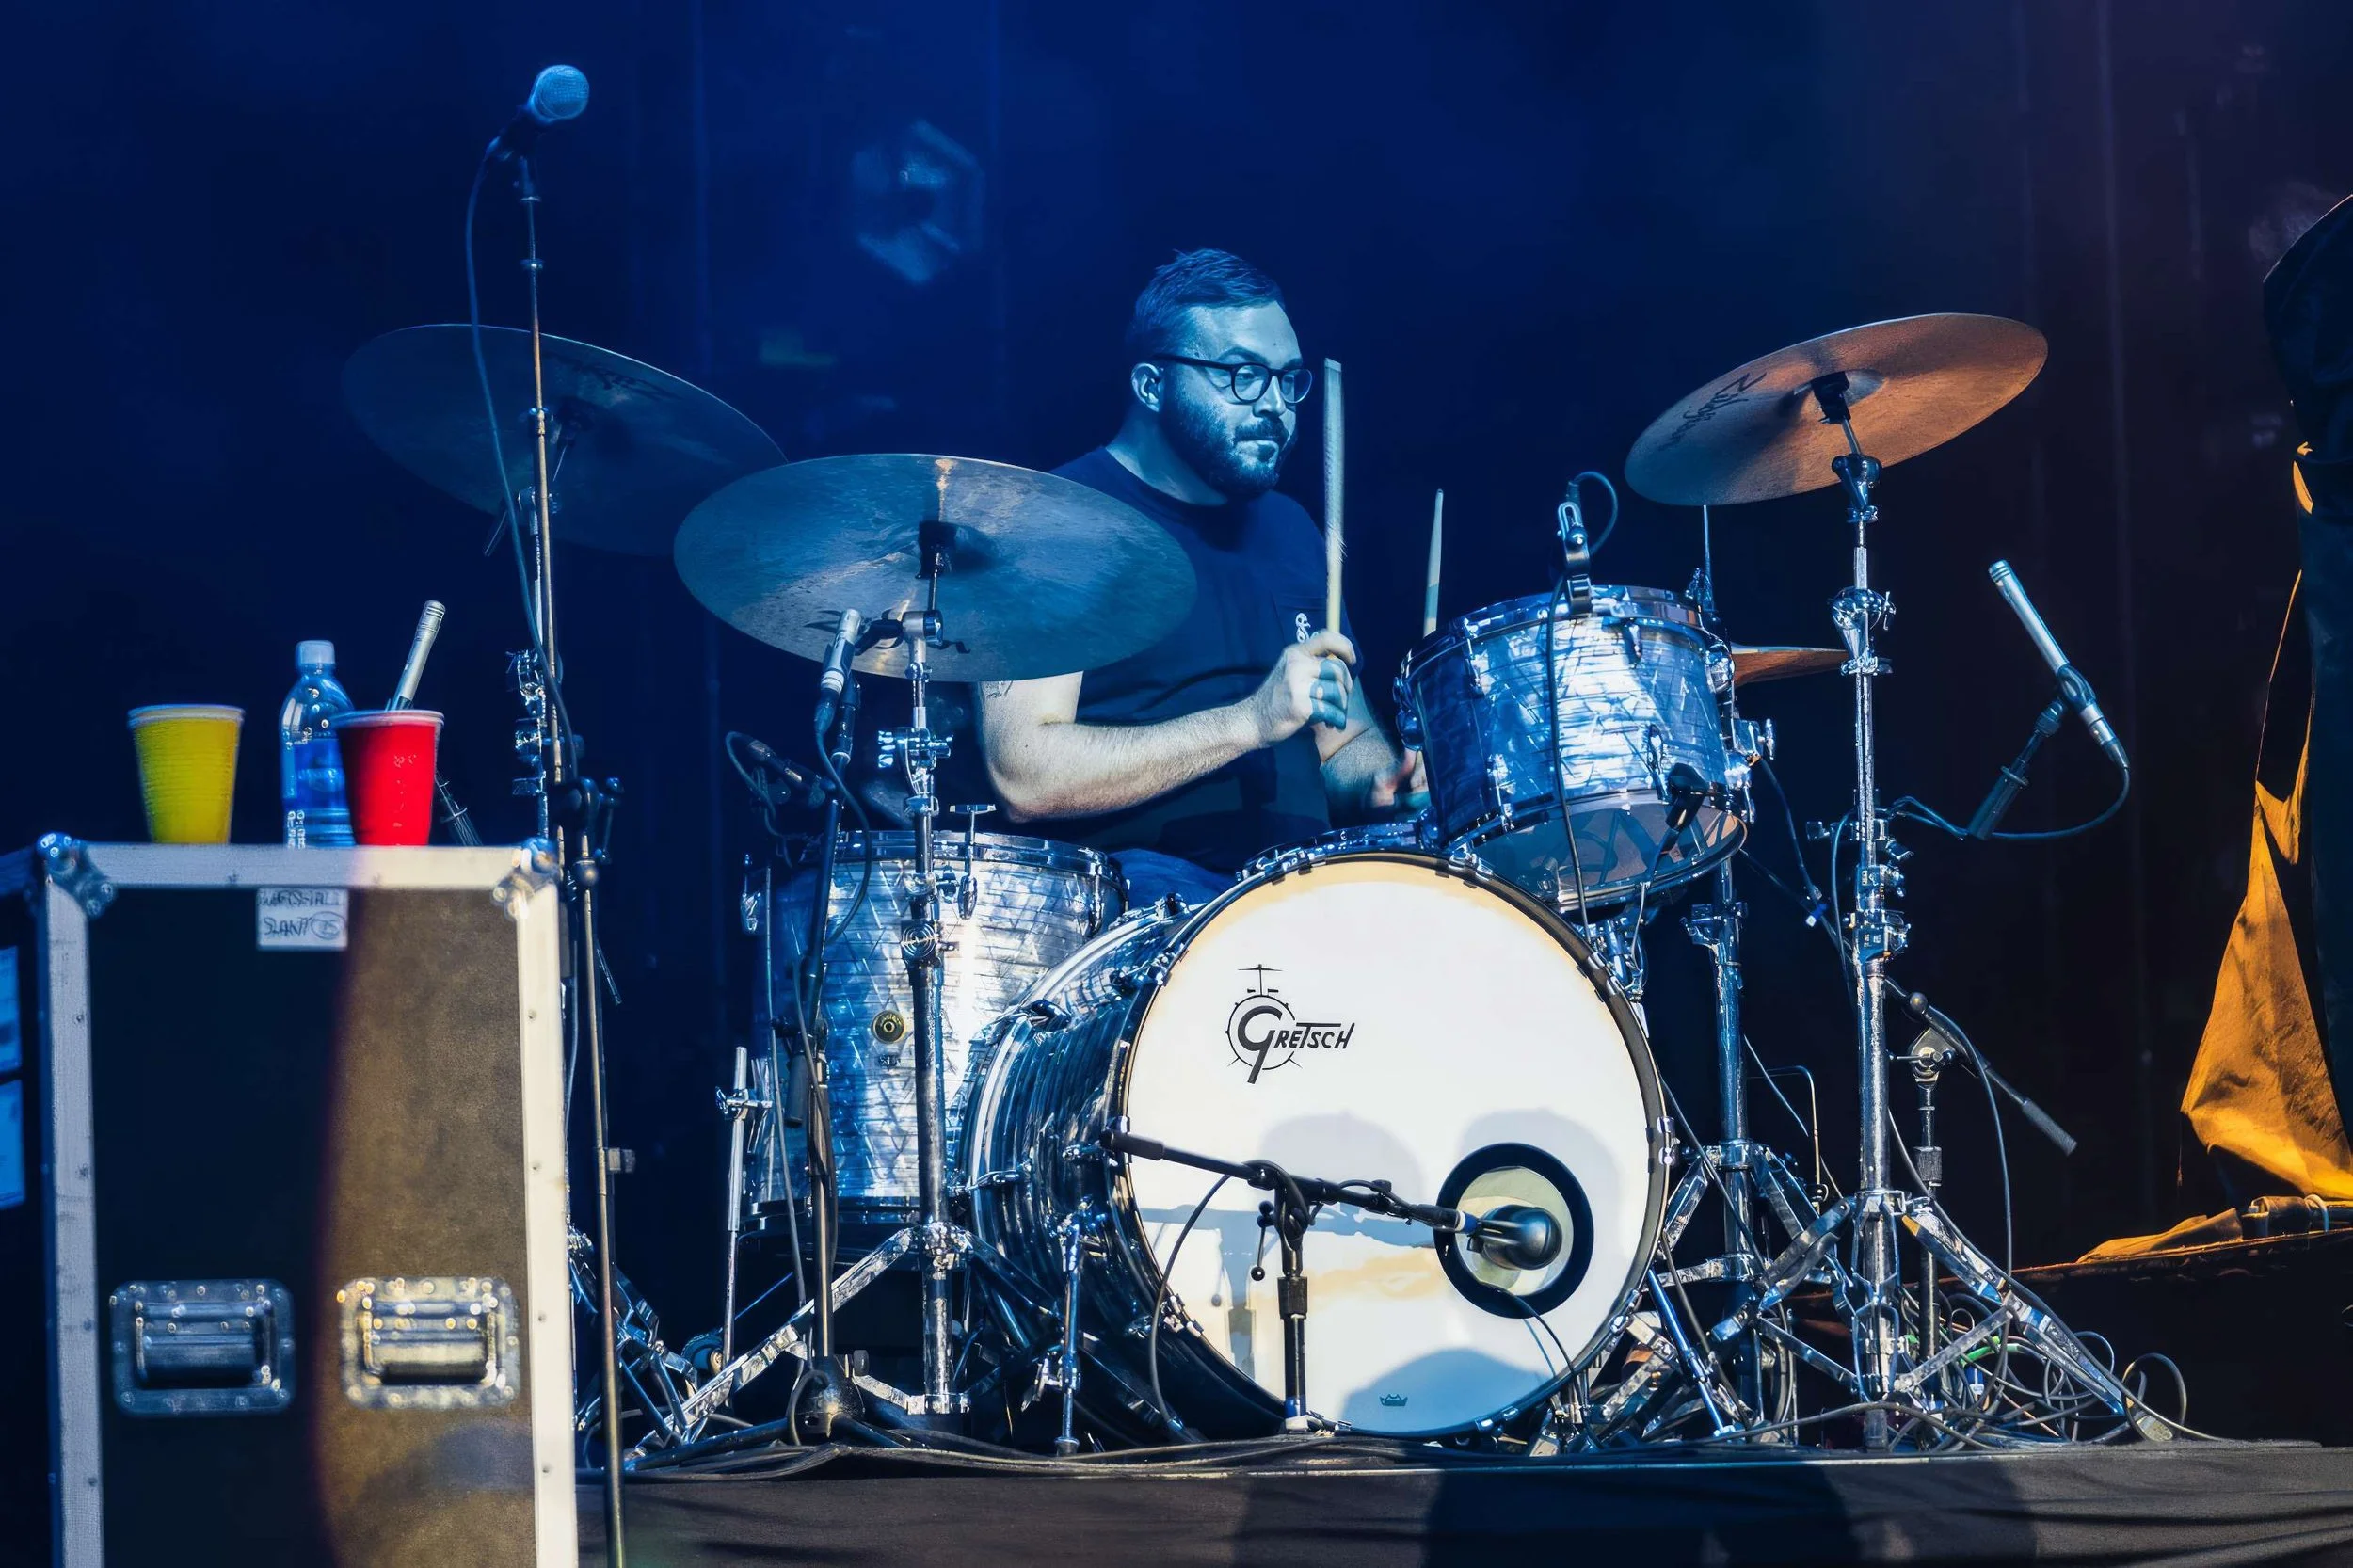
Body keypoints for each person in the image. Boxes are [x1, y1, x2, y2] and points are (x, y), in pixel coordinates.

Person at [979, 249, 1419, 905]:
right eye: (1243, 375)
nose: (1275, 406)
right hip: (1143, 902)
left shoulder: (1293, 528)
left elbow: (1339, 740)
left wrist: (1380, 782)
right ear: (1152, 386)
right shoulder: (1055, 523)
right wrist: (1249, 722)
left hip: (1305, 891)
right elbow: (1023, 774)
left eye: (1287, 380)